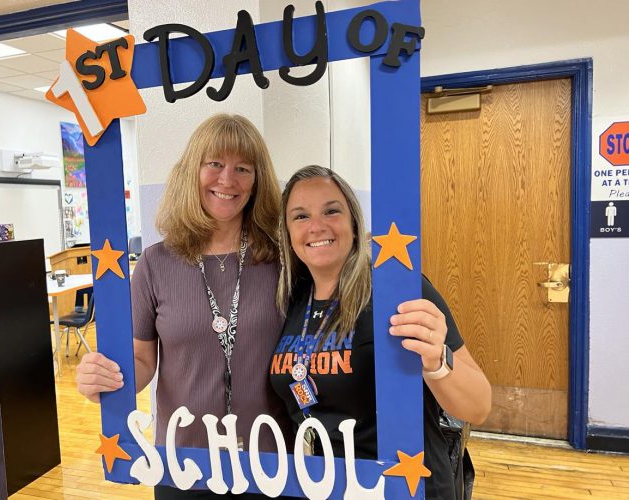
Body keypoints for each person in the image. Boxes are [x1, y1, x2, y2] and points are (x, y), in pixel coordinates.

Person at [76, 114, 290, 499]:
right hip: (182, 464)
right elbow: (142, 362)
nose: (227, 180)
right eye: (215, 164)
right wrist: (104, 382)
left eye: (243, 168)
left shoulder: (281, 261)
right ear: (193, 170)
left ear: (257, 182)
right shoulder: (156, 264)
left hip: (271, 462)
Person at [269, 165, 491, 499]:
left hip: (407, 486)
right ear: (287, 233)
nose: (317, 226)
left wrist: (436, 364)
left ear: (354, 225)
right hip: (329, 486)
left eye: (332, 211)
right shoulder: (290, 298)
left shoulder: (396, 290)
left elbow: (478, 406)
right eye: (300, 217)